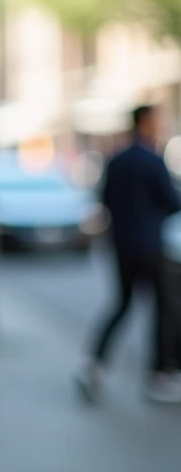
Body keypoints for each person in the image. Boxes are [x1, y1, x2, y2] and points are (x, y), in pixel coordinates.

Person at [78, 105, 181, 404]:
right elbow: (172, 201)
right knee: (165, 307)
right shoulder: (152, 160)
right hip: (150, 244)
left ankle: (92, 364)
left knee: (122, 303)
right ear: (147, 122)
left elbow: (105, 200)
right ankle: (160, 374)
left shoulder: (116, 160)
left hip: (122, 245)